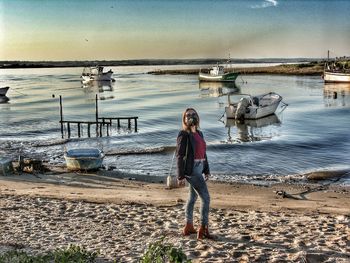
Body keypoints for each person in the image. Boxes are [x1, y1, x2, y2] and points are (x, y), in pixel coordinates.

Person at [176, 108, 212, 239]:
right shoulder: (183, 134)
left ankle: (189, 226)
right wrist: (180, 176)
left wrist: (206, 169)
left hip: (200, 166)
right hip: (191, 170)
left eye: (193, 114)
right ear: (184, 120)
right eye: (188, 115)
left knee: (192, 198)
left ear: (197, 117)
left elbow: (203, 153)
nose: (191, 116)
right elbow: (180, 156)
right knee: (206, 198)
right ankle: (203, 228)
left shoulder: (200, 133)